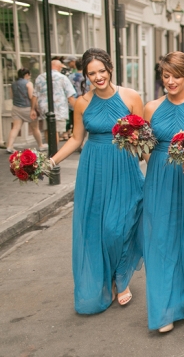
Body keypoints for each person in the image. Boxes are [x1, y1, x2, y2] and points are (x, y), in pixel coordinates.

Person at [48, 48, 144, 314]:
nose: (98, 77)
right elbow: (76, 139)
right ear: (85, 75)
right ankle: (108, 279)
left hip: (124, 167)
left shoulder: (131, 97)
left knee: (119, 227)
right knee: (96, 230)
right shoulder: (82, 103)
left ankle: (121, 276)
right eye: (92, 73)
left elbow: (144, 138)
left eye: (102, 71)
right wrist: (51, 162)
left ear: (110, 69)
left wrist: (159, 164)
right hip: (93, 170)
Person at [142, 52, 184, 333]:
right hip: (159, 177)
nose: (170, 81)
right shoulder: (150, 108)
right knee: (160, 241)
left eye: (177, 76)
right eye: (166, 76)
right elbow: (147, 148)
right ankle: (163, 310)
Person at [30, 57, 76, 147]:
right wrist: (77, 108)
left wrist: (32, 109)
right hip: (59, 109)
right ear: (58, 67)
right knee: (55, 131)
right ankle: (54, 152)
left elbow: (34, 95)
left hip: (44, 109)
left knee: (48, 130)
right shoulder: (63, 78)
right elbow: (70, 96)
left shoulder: (40, 77)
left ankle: (51, 149)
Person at [6, 68, 46, 153]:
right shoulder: (28, 84)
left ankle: (9, 146)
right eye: (29, 75)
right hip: (27, 108)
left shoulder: (13, 84)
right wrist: (34, 109)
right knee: (35, 128)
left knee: (15, 128)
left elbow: (11, 96)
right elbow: (32, 97)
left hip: (16, 108)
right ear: (26, 75)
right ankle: (40, 145)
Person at [67, 58, 85, 140]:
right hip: (86, 103)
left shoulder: (70, 77)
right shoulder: (88, 76)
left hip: (73, 103)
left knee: (75, 124)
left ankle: (77, 140)